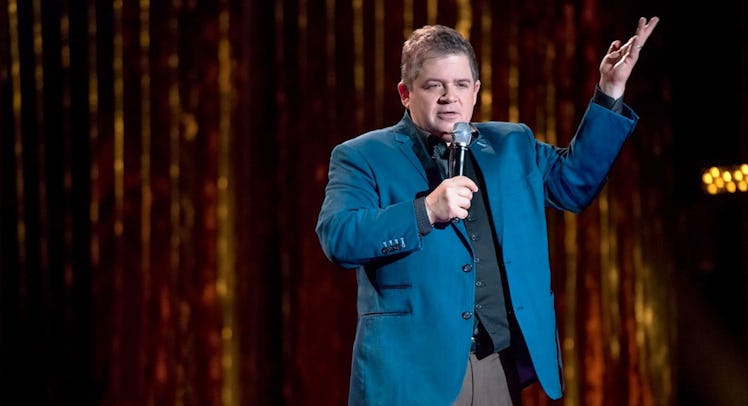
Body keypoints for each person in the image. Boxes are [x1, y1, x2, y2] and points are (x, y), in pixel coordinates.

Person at [316, 16, 659, 406]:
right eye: (434, 86)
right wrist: (424, 211)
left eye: (461, 85)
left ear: (476, 90)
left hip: (496, 365)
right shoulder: (363, 155)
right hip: (409, 374)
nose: (450, 97)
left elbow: (574, 185)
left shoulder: (511, 145)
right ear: (405, 93)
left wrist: (609, 92)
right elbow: (339, 235)